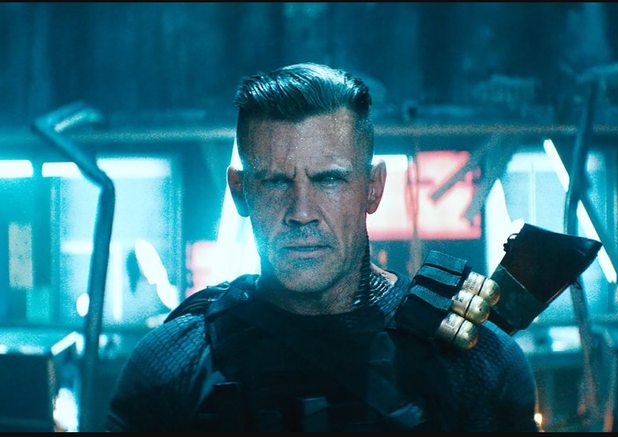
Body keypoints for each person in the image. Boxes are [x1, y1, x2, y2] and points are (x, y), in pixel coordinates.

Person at [105, 63, 539, 432]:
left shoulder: (474, 362)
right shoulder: (174, 361)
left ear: (373, 188)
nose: (301, 212)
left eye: (329, 179)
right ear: (240, 191)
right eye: (276, 181)